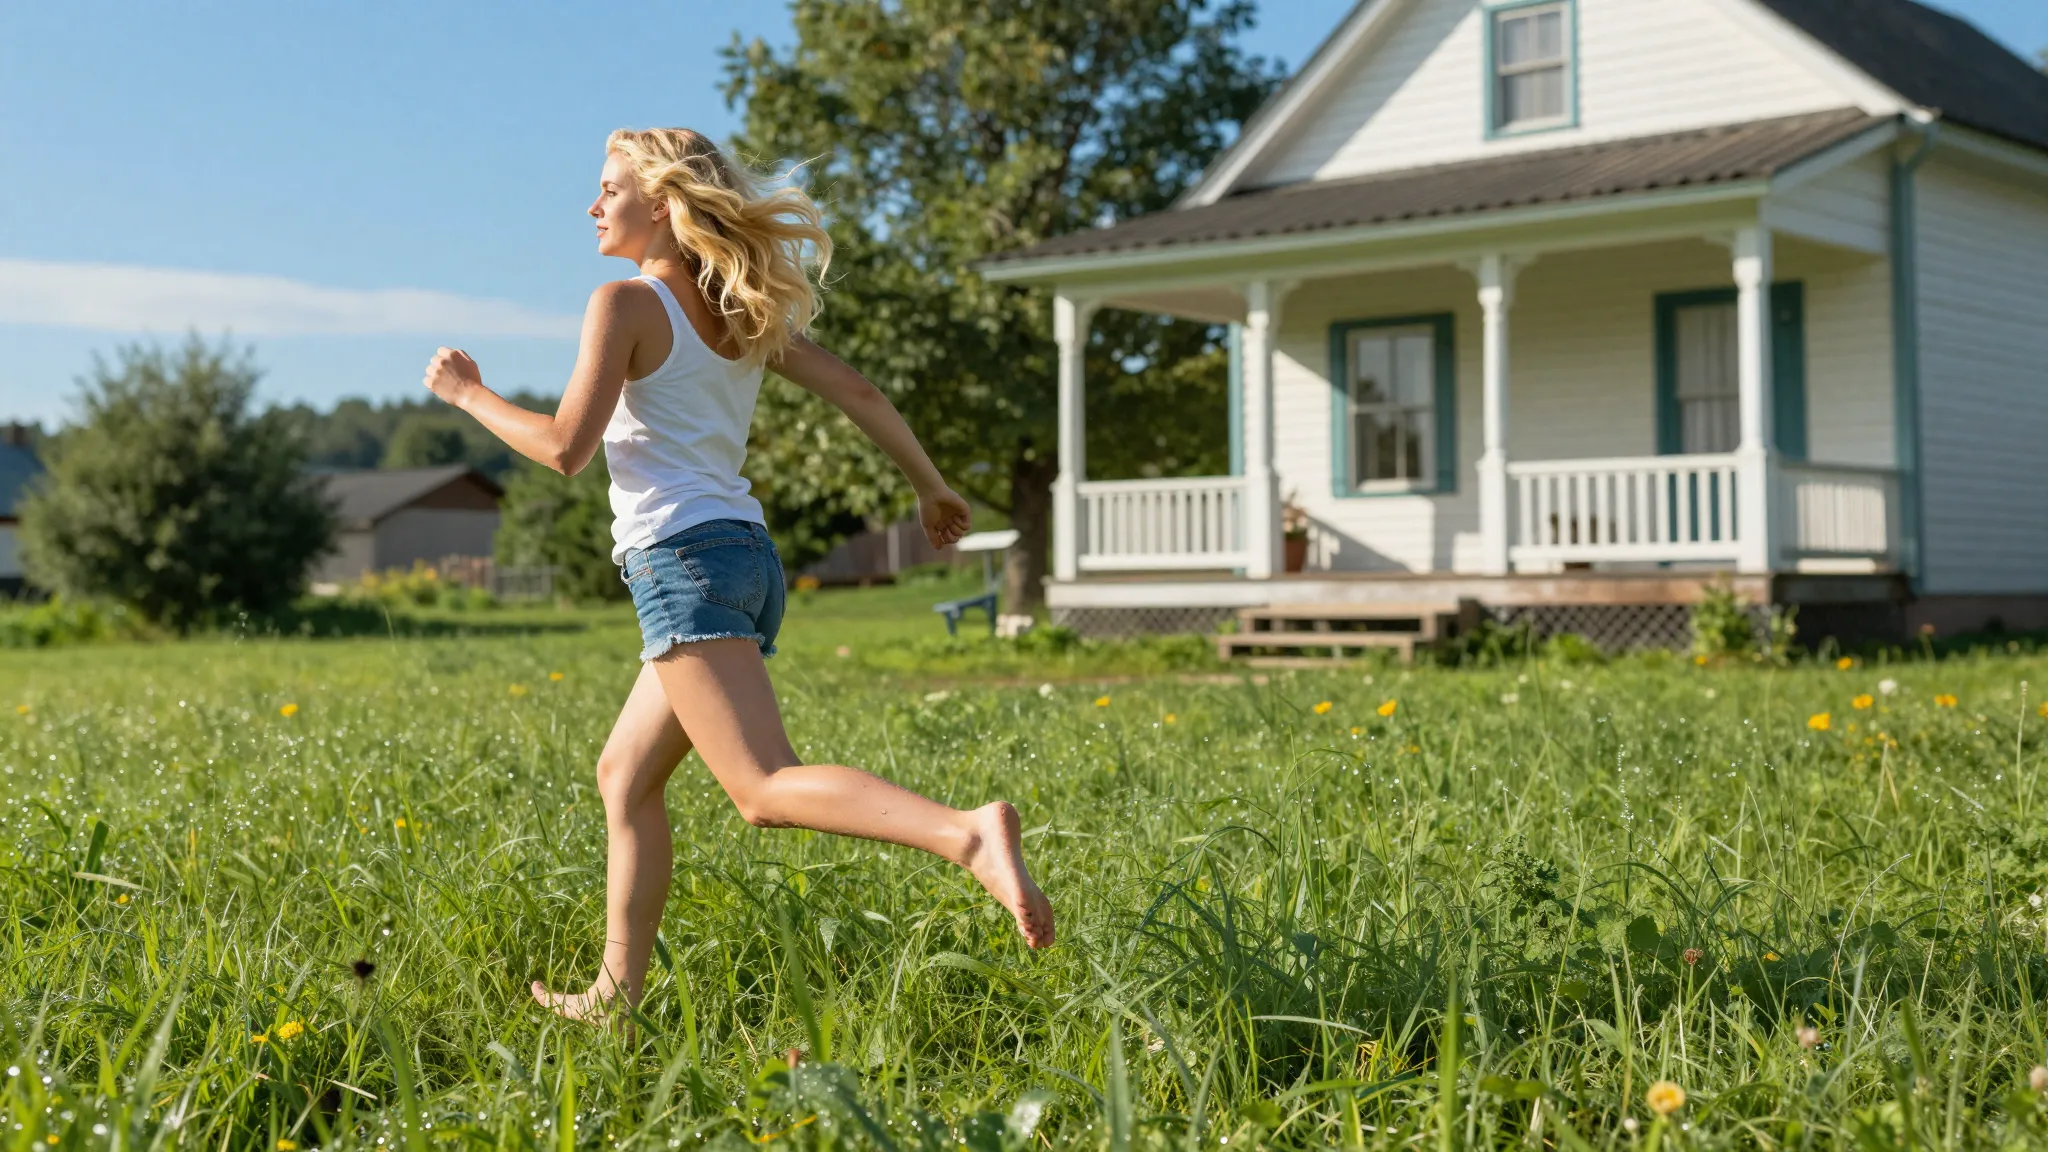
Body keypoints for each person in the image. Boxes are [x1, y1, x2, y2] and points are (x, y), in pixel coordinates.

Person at [420, 127, 1054, 1022]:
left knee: (760, 788)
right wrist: (930, 485)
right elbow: (861, 392)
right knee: (625, 777)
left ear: (665, 202)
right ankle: (616, 991)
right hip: (745, 559)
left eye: (609, 188)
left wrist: (468, 395)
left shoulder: (626, 305)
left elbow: (566, 449)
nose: (592, 205)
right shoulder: (742, 313)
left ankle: (967, 835)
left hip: (684, 560)